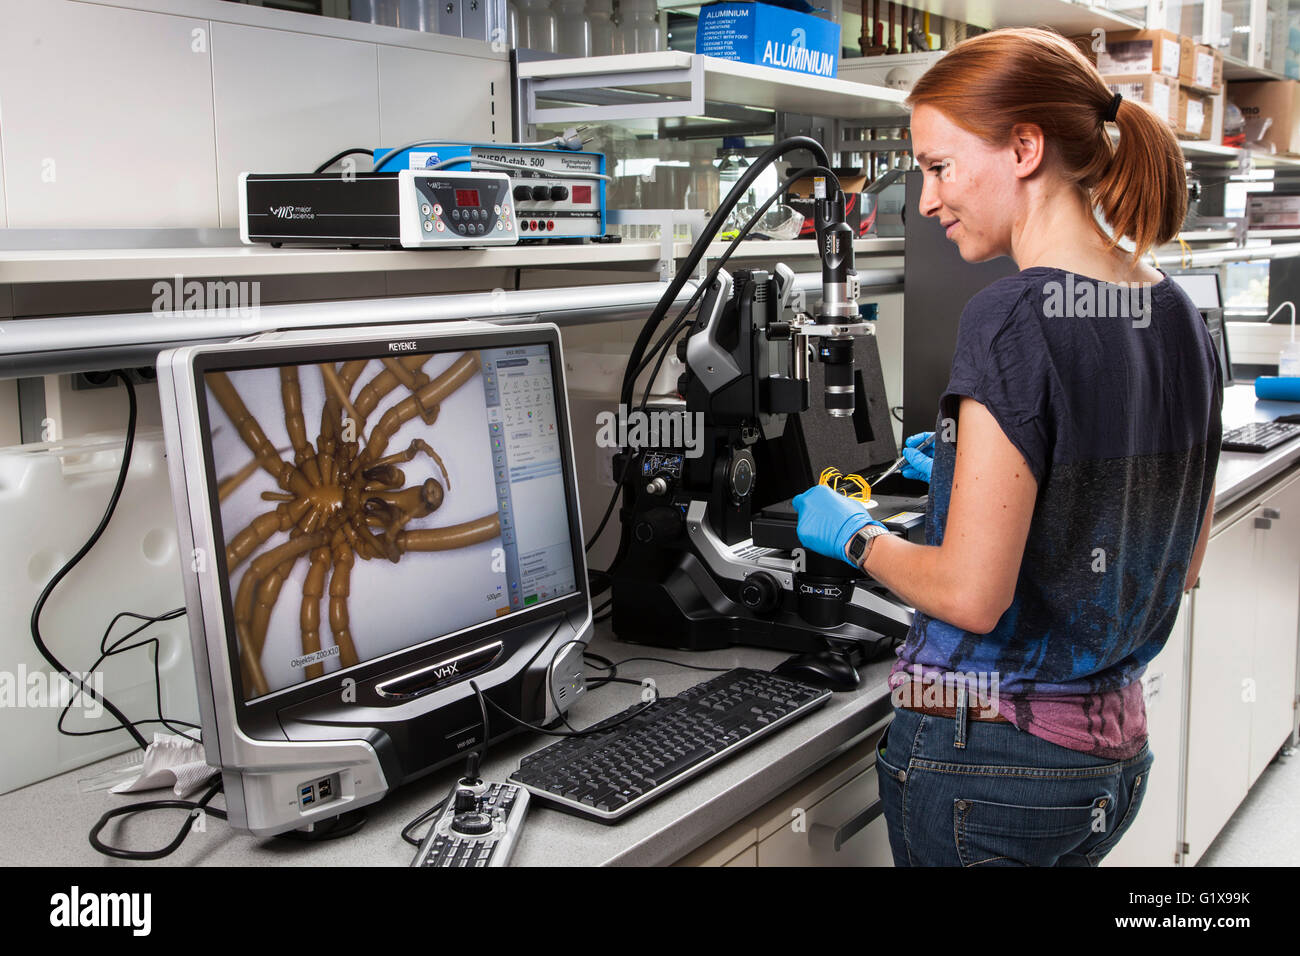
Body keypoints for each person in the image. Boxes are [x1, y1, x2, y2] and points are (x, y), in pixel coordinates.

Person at [792, 27, 1222, 866]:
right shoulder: (1179, 315)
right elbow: (1180, 557)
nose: (925, 200)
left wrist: (856, 535)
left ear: (1025, 147)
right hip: (1108, 758)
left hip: (987, 762)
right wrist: (971, 474)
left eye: (940, 166)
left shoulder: (1013, 316)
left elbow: (971, 596)